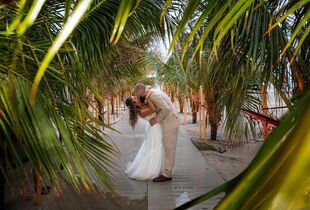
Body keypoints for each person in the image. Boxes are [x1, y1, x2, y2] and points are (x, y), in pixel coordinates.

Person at [133, 83, 180, 182]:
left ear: (141, 92)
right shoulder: (152, 93)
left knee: (169, 148)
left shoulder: (153, 95)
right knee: (167, 147)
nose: (137, 97)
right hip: (167, 122)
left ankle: (167, 174)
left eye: (137, 95)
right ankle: (166, 170)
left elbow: (166, 109)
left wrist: (156, 120)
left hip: (169, 123)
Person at [125, 95, 164, 180]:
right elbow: (154, 109)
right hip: (154, 128)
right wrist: (149, 97)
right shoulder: (141, 111)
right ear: (134, 103)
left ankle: (157, 168)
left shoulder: (142, 106)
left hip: (154, 127)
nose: (137, 98)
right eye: (135, 98)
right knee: (155, 147)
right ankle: (151, 170)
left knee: (155, 147)